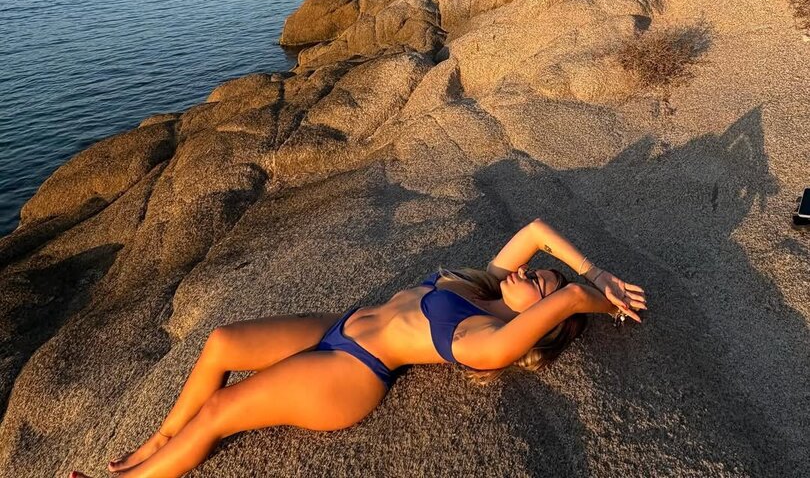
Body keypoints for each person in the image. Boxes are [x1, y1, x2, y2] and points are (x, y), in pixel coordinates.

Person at [70, 216, 646, 478]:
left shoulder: (483, 341)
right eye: (539, 272)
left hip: (351, 372)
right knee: (220, 342)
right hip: (339, 327)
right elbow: (538, 230)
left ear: (540, 320)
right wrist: (593, 267)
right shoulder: (483, 285)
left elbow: (572, 298)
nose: (532, 271)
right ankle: (161, 439)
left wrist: (599, 294)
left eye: (540, 283)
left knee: (221, 410)